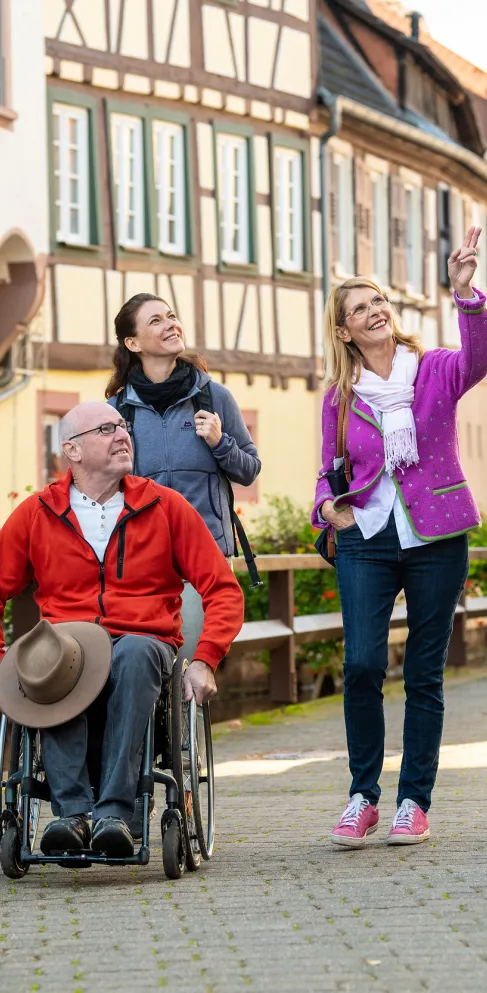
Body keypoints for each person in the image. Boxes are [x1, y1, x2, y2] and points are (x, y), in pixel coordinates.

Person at [0, 401, 244, 859]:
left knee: (134, 652)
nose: (122, 435)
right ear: (72, 450)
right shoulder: (37, 513)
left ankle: (115, 811)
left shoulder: (164, 505)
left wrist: (207, 658)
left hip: (144, 641)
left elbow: (222, 589)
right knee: (53, 663)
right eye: (106, 429)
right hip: (68, 647)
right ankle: (71, 816)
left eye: (123, 427)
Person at [312, 226, 487, 847]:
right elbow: (327, 471)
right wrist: (329, 511)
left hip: (436, 534)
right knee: (361, 664)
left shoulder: (435, 370)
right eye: (360, 308)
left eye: (379, 301)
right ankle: (362, 795)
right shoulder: (339, 397)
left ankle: (414, 801)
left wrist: (465, 293)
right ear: (345, 332)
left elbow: (481, 356)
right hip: (366, 537)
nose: (375, 311)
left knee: (424, 673)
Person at [105, 293, 261, 663]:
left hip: (204, 555)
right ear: (133, 343)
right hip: (143, 560)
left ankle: (193, 720)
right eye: (156, 321)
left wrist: (219, 442)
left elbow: (249, 469)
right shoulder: (117, 410)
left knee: (193, 664)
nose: (171, 324)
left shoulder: (213, 396)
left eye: (171, 316)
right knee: (143, 659)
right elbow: (105, 488)